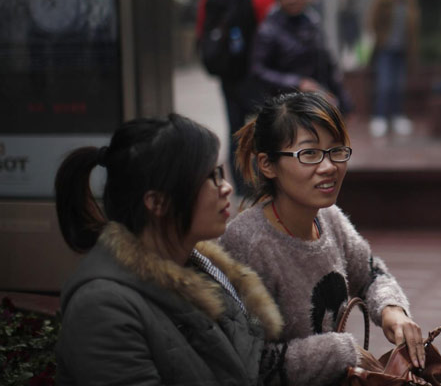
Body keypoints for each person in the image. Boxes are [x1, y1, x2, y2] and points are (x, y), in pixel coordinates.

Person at [53, 114, 286, 385]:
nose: (226, 188)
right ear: (158, 202)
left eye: (221, 173)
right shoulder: (101, 309)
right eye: (211, 177)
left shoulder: (198, 264)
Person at [220, 91, 424, 385]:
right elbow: (251, 361)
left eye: (337, 150)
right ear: (267, 164)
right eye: (310, 154)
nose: (329, 167)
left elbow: (370, 273)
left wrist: (392, 311)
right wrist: (341, 351)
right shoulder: (247, 244)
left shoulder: (328, 218)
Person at [196, 0, 276, 196]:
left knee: (235, 129)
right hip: (257, 74)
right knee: (264, 128)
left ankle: (241, 189)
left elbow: (202, 33)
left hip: (228, 74)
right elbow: (273, 34)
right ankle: (263, 185)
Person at [251, 0, 352, 113]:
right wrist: (297, 83)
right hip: (282, 108)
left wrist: (342, 100)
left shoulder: (313, 23)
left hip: (314, 103)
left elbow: (327, 65)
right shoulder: (269, 29)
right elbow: (258, 70)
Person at [367, 0, 420, 137]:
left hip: (402, 50)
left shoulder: (409, 2)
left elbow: (413, 27)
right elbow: (373, 20)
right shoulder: (384, 0)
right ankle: (380, 117)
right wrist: (381, 38)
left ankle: (397, 116)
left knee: (398, 85)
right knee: (385, 84)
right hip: (386, 49)